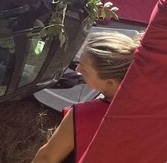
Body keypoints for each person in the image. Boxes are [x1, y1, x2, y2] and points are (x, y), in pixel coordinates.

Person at [32, 31, 141, 163]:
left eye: (85, 69)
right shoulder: (149, 111)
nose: (77, 69)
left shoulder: (84, 115)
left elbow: (46, 157)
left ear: (110, 82)